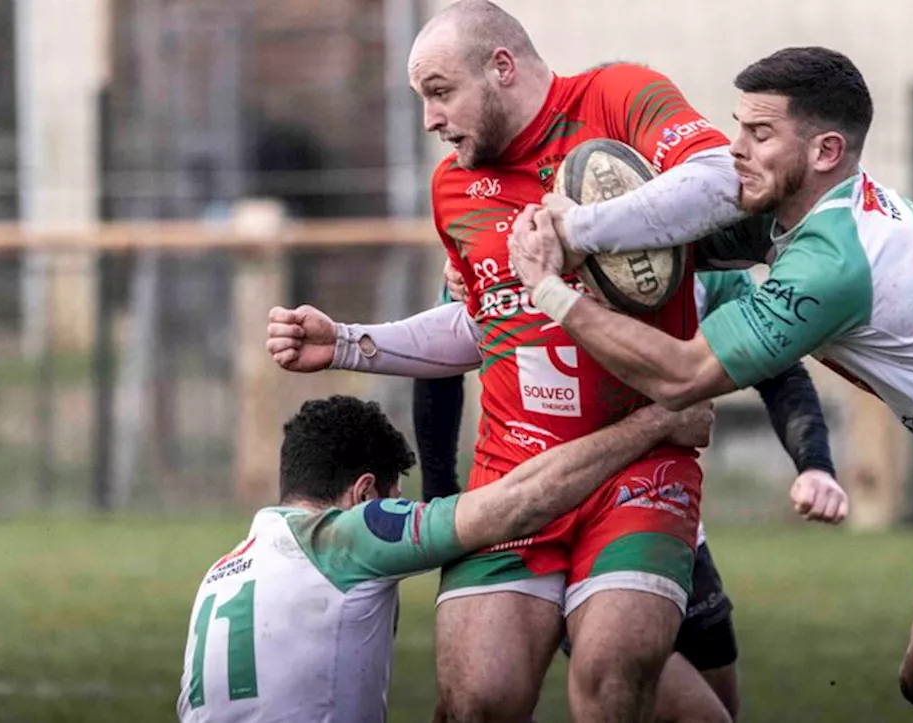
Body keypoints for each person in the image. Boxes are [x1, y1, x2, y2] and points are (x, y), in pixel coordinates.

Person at [507, 46, 913, 723]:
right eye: (738, 128)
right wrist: (552, 236)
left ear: (825, 151)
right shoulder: (811, 212)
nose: (734, 151)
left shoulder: (834, 260)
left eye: (759, 135)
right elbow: (682, 227)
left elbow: (682, 374)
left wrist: (549, 289)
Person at [314, 2, 844, 720]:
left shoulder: (620, 96)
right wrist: (347, 343)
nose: (431, 120)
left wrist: (582, 231)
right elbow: (483, 325)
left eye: (441, 92)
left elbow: (720, 178)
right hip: (514, 473)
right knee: (477, 701)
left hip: (642, 470)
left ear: (500, 66)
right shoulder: (452, 189)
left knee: (612, 679)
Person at [417, 266, 843, 721]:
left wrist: (814, 463)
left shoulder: (698, 259)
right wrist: (443, 501)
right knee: (507, 697)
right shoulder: (511, 247)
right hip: (540, 512)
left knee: (719, 710)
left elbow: (776, 366)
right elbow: (437, 359)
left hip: (659, 508)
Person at [176, 394, 712, 723]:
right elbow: (516, 504)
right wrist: (654, 424)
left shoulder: (224, 569)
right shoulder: (345, 535)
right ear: (366, 493)